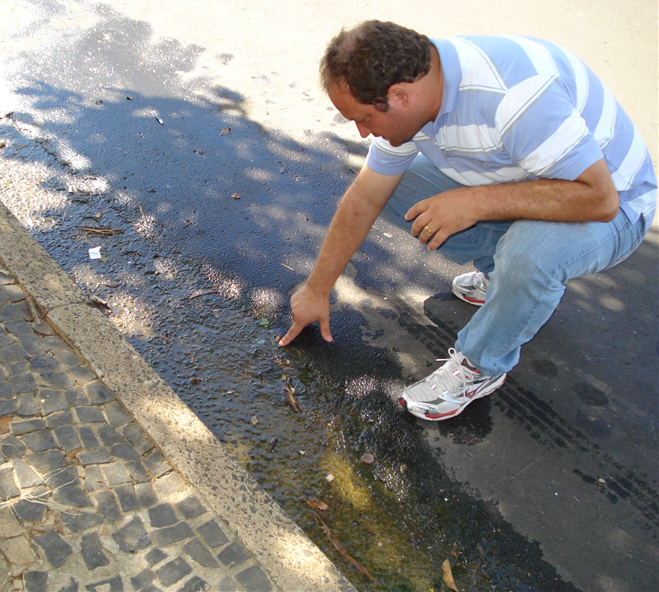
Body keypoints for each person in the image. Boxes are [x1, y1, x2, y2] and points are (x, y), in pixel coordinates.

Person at [278, 21, 656, 421]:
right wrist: (317, 287)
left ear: (400, 96)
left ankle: (483, 363)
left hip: (617, 203)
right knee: (393, 186)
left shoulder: (513, 96)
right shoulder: (422, 91)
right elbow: (365, 197)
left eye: (364, 118)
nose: (363, 132)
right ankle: (503, 278)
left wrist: (474, 202)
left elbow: (600, 200)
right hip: (533, 177)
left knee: (529, 256)